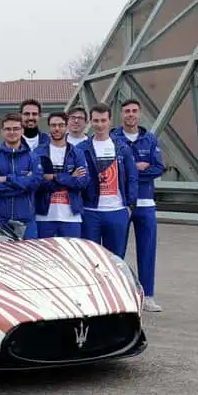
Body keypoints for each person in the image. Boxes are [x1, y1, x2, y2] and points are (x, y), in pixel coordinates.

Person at [111, 98, 165, 311]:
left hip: (146, 202)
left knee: (147, 251)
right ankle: (117, 297)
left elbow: (158, 168)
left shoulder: (150, 139)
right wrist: (136, 168)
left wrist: (129, 171)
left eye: (134, 111)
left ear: (139, 114)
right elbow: (114, 171)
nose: (130, 114)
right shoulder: (113, 138)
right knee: (116, 252)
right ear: (121, 114)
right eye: (127, 111)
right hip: (121, 203)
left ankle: (148, 295)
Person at [77, 102, 138, 258]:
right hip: (91, 212)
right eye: (96, 121)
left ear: (110, 121)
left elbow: (132, 177)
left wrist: (130, 204)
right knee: (91, 260)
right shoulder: (81, 149)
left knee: (116, 260)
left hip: (117, 211)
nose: (100, 125)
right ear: (90, 122)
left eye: (103, 120)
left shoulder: (122, 148)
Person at [0, 113, 42, 238]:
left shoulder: (33, 157)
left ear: (22, 131)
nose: (12, 132)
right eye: (8, 129)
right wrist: (23, 185)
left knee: (30, 252)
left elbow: (35, 183)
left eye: (16, 128)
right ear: (2, 132)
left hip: (26, 221)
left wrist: (7, 179)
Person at [33, 111, 90, 238]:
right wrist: (70, 178)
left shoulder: (77, 153)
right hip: (44, 216)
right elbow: (37, 183)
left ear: (66, 126)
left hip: (71, 217)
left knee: (71, 252)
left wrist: (54, 177)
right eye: (53, 125)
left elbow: (83, 182)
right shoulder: (38, 152)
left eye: (61, 125)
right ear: (49, 127)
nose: (57, 128)